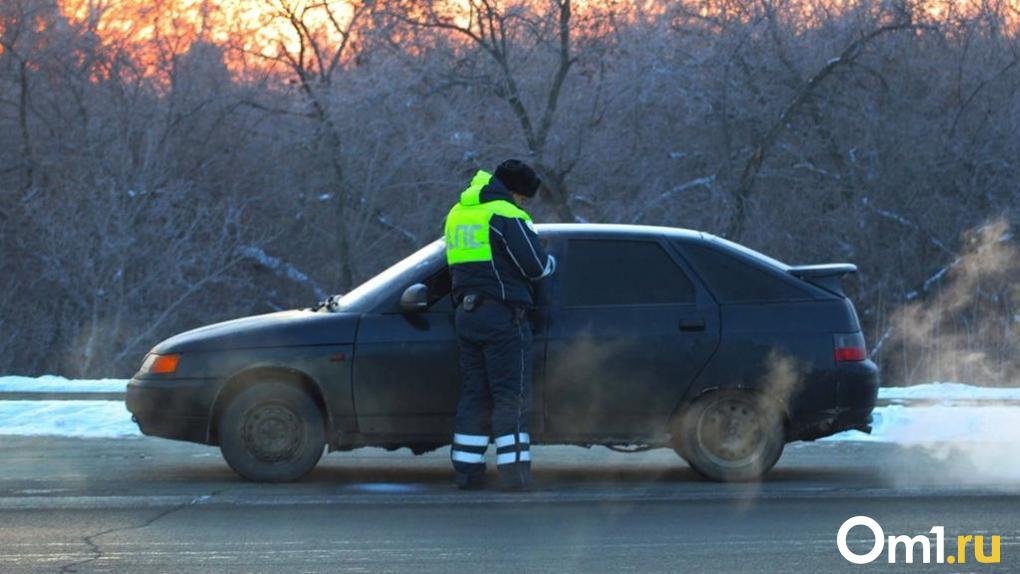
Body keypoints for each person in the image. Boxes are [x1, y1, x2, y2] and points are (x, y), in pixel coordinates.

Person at [443, 159, 556, 491]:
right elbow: (535, 267)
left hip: (466, 314)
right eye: (523, 198)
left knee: (475, 395)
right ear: (515, 191)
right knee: (511, 397)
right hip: (503, 317)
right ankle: (515, 475)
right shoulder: (505, 214)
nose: (523, 204)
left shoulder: (458, 214)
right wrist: (551, 262)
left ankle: (467, 472)